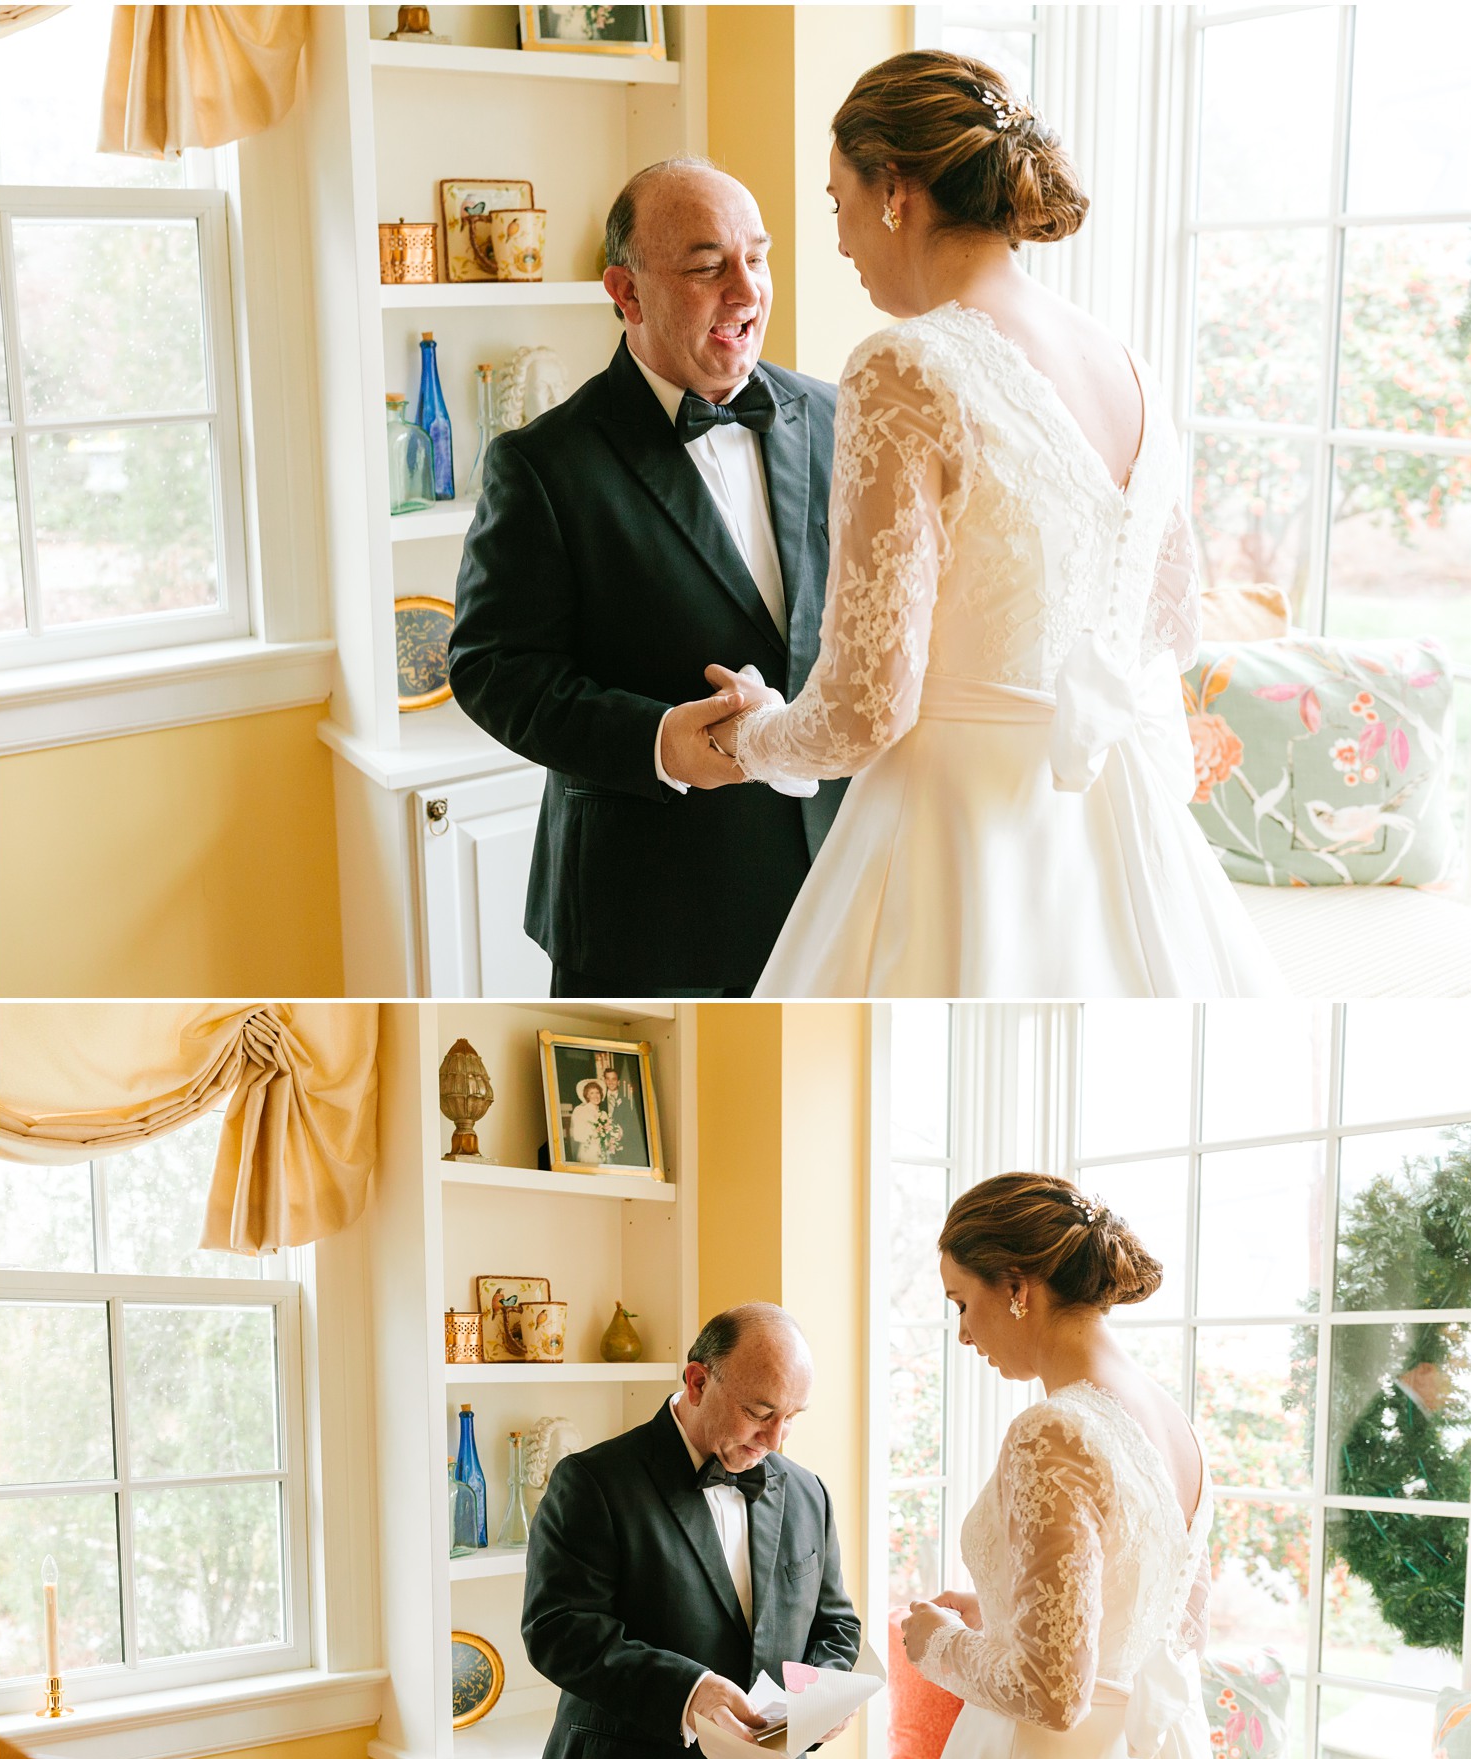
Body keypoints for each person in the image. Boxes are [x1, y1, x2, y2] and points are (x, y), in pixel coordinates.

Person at [675, 49, 1287, 999]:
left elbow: (864, 710)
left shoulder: (903, 365)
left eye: (834, 201)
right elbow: (1170, 624)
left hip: (956, 828)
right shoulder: (1125, 361)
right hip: (1116, 819)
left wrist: (749, 736)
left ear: (894, 192)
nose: (835, 239)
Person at [847, 1173, 1304, 1759]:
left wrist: (939, 1645)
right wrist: (1006, 1608)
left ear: (1015, 1287)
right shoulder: (1172, 1419)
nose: (961, 1333)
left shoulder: (1053, 1428)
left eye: (961, 1302)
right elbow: (1158, 1618)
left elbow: (1055, 1691)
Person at [448, 158, 846, 998]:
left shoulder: (842, 416)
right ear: (624, 292)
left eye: (758, 257)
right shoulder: (542, 464)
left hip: (837, 882)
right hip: (649, 909)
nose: (746, 291)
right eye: (707, 267)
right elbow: (491, 669)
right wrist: (657, 741)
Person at [521, 1304, 861, 1759]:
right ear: (698, 1379)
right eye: (761, 1411)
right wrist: (687, 1690)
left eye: (794, 1416)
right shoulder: (592, 1482)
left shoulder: (807, 1492)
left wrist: (820, 1698)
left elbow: (836, 1627)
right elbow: (559, 1627)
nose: (777, 1436)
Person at [566, 1078, 609, 1162]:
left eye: (597, 1092)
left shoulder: (604, 1114)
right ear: (587, 1095)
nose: (596, 1096)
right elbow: (577, 1135)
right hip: (589, 1150)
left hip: (603, 1151)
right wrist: (595, 1132)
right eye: (591, 1093)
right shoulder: (581, 1110)